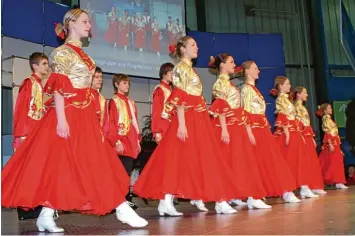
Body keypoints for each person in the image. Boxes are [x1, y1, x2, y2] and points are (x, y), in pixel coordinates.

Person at [1, 9, 148, 233]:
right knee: (68, 164)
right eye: (85, 21)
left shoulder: (84, 54)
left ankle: (48, 214)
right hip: (68, 114)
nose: (90, 25)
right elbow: (59, 88)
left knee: (79, 164)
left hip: (84, 114)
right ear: (71, 24)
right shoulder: (61, 54)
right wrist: (61, 120)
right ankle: (120, 208)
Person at [134, 36, 240, 216]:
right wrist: (181, 125)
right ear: (182, 49)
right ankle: (174, 200)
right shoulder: (180, 69)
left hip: (197, 117)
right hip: (188, 119)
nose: (196, 47)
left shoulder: (189, 70)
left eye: (196, 45)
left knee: (195, 159)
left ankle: (169, 201)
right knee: (181, 159)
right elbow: (179, 98)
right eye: (192, 45)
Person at [208, 54, 271, 209]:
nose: (234, 64)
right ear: (222, 65)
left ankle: (248, 195)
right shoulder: (220, 83)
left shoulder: (229, 84)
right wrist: (223, 129)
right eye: (231, 62)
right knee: (227, 162)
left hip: (237, 125)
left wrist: (245, 128)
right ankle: (221, 200)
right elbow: (220, 108)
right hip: (227, 127)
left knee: (241, 162)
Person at [240, 61, 300, 203]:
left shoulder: (254, 89)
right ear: (247, 71)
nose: (258, 71)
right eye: (255, 68)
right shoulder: (246, 89)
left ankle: (284, 190)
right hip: (254, 129)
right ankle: (253, 196)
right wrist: (248, 132)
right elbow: (245, 112)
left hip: (261, 128)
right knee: (258, 162)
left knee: (271, 160)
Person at [12, 52, 49, 220]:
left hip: (37, 135)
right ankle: (24, 208)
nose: (46, 67)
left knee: (36, 172)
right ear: (35, 65)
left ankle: (34, 205)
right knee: (26, 172)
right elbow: (21, 109)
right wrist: (22, 135)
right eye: (44, 63)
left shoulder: (39, 86)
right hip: (28, 134)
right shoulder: (29, 83)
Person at [271, 77, 319, 199]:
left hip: (295, 132)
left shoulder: (287, 100)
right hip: (288, 132)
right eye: (287, 84)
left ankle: (304, 186)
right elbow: (282, 116)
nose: (289, 86)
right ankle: (287, 191)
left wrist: (299, 135)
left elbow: (293, 118)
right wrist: (286, 133)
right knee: (290, 160)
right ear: (281, 86)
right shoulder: (281, 99)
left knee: (299, 161)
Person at [107, 74, 141, 210]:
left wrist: (138, 140)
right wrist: (116, 141)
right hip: (122, 141)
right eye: (124, 83)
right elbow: (112, 122)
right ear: (117, 84)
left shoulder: (131, 102)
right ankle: (119, 201)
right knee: (121, 173)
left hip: (131, 141)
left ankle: (125, 199)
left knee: (127, 172)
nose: (127, 85)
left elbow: (134, 122)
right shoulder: (114, 101)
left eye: (128, 83)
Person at [293, 86, 327, 195]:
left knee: (311, 161)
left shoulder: (302, 107)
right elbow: (297, 123)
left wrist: (311, 137)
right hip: (302, 135)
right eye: (304, 93)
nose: (306, 95)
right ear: (298, 94)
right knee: (305, 162)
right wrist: (301, 136)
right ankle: (305, 187)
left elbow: (307, 123)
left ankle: (314, 185)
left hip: (307, 135)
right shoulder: (296, 107)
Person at [316, 103, 348, 189]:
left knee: (336, 162)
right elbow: (327, 132)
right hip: (332, 143)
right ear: (325, 110)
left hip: (335, 143)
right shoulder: (326, 119)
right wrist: (330, 144)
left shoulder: (329, 119)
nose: (331, 109)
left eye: (331, 108)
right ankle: (337, 181)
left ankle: (338, 181)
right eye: (329, 108)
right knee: (334, 163)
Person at [151, 63, 174, 143]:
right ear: (164, 73)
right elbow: (156, 111)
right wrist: (157, 132)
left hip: (172, 126)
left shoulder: (172, 90)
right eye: (171, 73)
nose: (173, 75)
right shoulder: (160, 89)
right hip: (163, 127)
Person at [91, 66, 108, 136]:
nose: (100, 79)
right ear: (90, 78)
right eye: (97, 77)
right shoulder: (84, 96)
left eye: (101, 77)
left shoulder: (103, 99)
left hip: (99, 135)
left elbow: (105, 122)